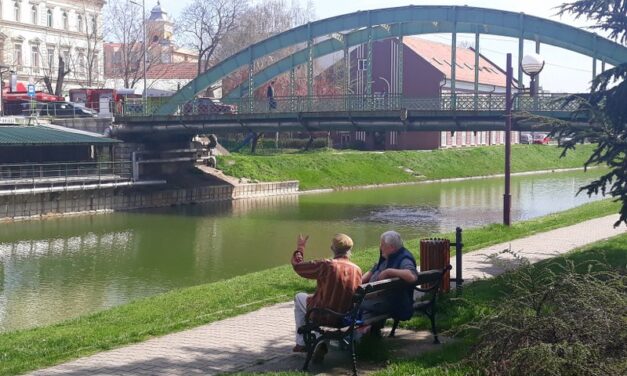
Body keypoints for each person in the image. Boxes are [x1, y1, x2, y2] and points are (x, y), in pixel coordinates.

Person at [291, 233, 362, 353]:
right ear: (349, 250)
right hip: (345, 317)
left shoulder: (326, 265)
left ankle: (301, 343)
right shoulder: (357, 269)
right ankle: (318, 339)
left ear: (332, 248)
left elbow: (298, 267)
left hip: (323, 314)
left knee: (299, 297)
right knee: (313, 298)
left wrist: (300, 248)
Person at [361, 231, 418, 324]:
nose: (380, 247)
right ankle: (369, 331)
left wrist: (388, 272)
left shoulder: (404, 258)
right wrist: (357, 282)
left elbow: (412, 276)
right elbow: (372, 271)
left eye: (382, 245)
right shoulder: (387, 255)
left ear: (391, 247)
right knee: (352, 299)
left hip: (391, 303)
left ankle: (352, 333)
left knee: (352, 303)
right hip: (377, 297)